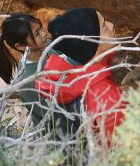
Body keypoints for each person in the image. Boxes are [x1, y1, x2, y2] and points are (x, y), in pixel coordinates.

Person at [36, 8, 125, 143]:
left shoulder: (76, 69)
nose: (111, 25)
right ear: (92, 43)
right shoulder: (105, 97)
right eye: (104, 26)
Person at [0, 13, 51, 126]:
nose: (44, 33)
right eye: (36, 34)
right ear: (21, 46)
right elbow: (53, 117)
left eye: (41, 28)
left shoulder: (49, 47)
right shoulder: (30, 80)